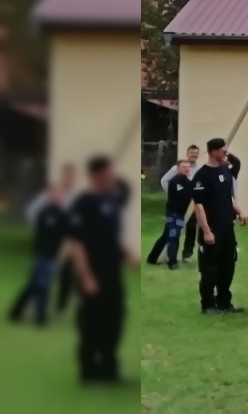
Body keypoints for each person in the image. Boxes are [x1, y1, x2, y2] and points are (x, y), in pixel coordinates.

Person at [64, 156, 132, 385]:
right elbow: (76, 244)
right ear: (96, 175)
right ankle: (89, 371)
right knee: (92, 322)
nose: (110, 178)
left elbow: (111, 235)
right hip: (91, 272)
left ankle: (109, 369)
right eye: (107, 174)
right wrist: (87, 277)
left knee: (114, 318)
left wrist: (127, 253)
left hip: (111, 270)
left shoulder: (110, 199)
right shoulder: (83, 203)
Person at [192, 138, 247, 315]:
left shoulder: (225, 170)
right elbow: (198, 206)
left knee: (228, 265)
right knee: (210, 268)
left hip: (227, 227)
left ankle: (224, 302)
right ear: (213, 151)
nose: (226, 153)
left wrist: (238, 210)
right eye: (223, 151)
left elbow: (227, 197)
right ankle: (207, 304)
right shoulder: (202, 176)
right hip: (212, 228)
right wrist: (207, 231)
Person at [9, 173, 71, 325]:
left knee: (35, 284)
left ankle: (15, 312)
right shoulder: (46, 214)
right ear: (50, 195)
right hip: (43, 255)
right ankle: (41, 318)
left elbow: (69, 232)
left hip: (53, 256)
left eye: (61, 194)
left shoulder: (63, 215)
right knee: (42, 286)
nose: (59, 196)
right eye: (56, 194)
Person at [146, 159, 193, 269]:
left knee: (166, 236)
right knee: (174, 236)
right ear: (178, 169)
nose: (186, 169)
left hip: (181, 213)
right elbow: (185, 195)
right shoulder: (176, 181)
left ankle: (152, 258)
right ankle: (172, 262)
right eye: (184, 167)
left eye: (188, 167)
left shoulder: (187, 181)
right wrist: (191, 185)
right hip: (174, 213)